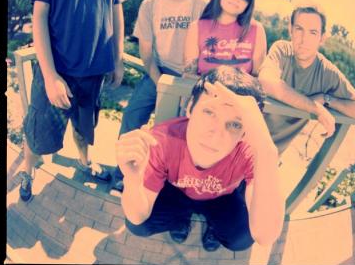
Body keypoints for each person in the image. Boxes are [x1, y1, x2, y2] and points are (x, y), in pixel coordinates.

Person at [19, 0, 127, 202]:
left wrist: (117, 58)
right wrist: (51, 76)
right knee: (39, 132)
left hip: (93, 71)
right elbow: (39, 15)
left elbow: (116, 10)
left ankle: (84, 162)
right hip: (57, 67)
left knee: (84, 127)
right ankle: (28, 170)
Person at [116, 66, 285, 252]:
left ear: (245, 132)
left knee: (242, 238)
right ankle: (179, 220)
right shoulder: (161, 140)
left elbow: (265, 235)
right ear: (190, 107)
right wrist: (132, 179)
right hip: (175, 192)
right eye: (209, 112)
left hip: (221, 198)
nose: (216, 134)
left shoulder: (251, 151)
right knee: (138, 225)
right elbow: (137, 217)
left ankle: (213, 226)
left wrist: (267, 152)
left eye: (235, 124)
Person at [113, 0, 207, 191]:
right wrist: (158, 81)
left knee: (178, 133)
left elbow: (207, 45)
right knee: (132, 116)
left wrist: (190, 82)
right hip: (159, 72)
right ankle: (122, 175)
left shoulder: (202, 5)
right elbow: (146, 51)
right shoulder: (151, 4)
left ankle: (165, 186)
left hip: (189, 78)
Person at [258, 6, 355, 149]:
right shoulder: (282, 50)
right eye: (299, 29)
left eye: (313, 33)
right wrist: (315, 108)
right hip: (244, 138)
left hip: (272, 152)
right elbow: (266, 81)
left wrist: (326, 99)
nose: (304, 40)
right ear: (290, 30)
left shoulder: (326, 71)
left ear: (322, 38)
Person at [183, 0, 267, 80]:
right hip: (203, 89)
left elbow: (258, 80)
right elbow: (188, 77)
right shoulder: (196, 28)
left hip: (241, 91)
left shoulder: (256, 30)